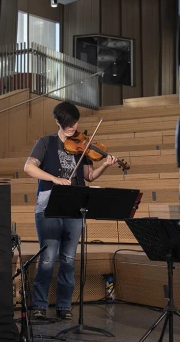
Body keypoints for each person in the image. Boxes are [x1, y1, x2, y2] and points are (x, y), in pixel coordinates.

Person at [24, 102, 117, 319]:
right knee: (47, 257)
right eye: (67, 124)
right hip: (49, 203)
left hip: (75, 205)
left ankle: (64, 306)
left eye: (74, 123)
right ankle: (39, 304)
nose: (72, 127)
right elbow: (29, 167)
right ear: (58, 122)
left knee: (68, 258)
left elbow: (89, 176)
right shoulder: (46, 142)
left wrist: (104, 165)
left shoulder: (82, 146)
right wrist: (55, 179)